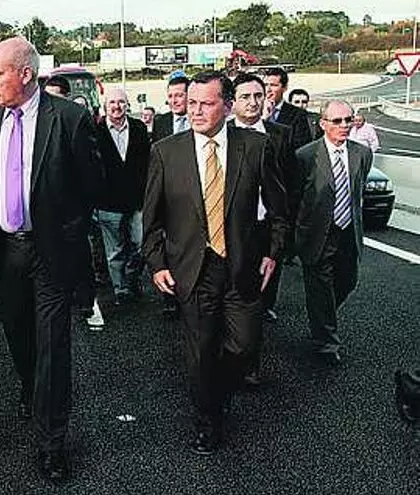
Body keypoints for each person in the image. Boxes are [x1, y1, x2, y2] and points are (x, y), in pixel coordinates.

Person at [0, 36, 102, 481]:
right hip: (6, 253)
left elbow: (91, 184)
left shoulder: (69, 118)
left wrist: (67, 231)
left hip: (51, 254)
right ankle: (30, 387)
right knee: (19, 336)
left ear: (25, 74)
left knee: (53, 348)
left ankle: (51, 442)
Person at [143, 71, 287, 455]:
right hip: (192, 270)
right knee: (201, 352)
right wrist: (157, 263)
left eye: (206, 104)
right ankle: (207, 422)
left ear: (227, 106)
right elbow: (151, 219)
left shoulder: (256, 147)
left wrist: (273, 252)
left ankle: (217, 391)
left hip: (242, 266)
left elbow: (279, 209)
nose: (196, 111)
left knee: (244, 346)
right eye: (192, 103)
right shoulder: (166, 152)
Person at [228, 73, 298, 386]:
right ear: (232, 102)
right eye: (245, 97)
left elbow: (290, 188)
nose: (253, 102)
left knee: (254, 301)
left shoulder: (280, 136)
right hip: (227, 230)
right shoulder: (222, 135)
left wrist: (279, 242)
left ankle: (250, 365)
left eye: (258, 96)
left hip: (263, 231)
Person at [294, 100, 372, 365]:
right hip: (317, 234)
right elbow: (296, 197)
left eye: (348, 119)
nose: (344, 125)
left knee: (347, 281)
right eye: (337, 121)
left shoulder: (362, 154)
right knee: (320, 287)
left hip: (348, 232)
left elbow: (358, 191)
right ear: (323, 123)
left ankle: (320, 317)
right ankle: (327, 343)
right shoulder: (305, 156)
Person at [94, 88, 151, 306]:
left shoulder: (138, 128)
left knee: (141, 244)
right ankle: (121, 290)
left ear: (127, 105)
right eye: (112, 103)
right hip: (108, 203)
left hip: (137, 200)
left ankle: (132, 278)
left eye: (121, 102)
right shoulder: (96, 131)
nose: (116, 107)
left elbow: (147, 163)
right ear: (105, 106)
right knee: (114, 251)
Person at [149, 75, 191, 317]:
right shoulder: (162, 122)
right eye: (171, 96)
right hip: (168, 195)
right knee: (168, 245)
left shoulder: (199, 121)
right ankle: (170, 296)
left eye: (179, 95)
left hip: (194, 194)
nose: (174, 100)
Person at [264, 67, 313, 150]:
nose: (268, 89)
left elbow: (302, 147)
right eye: (265, 85)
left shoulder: (298, 114)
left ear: (285, 88)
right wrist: (263, 120)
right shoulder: (254, 111)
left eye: (273, 85)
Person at [150, 75, 190, 143]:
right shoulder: (159, 122)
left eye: (179, 96)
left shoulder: (201, 119)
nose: (173, 101)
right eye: (170, 96)